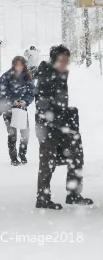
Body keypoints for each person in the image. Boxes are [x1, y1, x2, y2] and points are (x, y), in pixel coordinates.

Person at [34, 45, 93, 210]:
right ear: (54, 60)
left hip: (62, 125)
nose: (65, 63)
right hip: (48, 126)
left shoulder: (60, 74)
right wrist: (58, 120)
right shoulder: (45, 76)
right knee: (48, 162)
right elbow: (43, 105)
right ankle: (42, 198)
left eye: (67, 60)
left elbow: (58, 103)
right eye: (62, 60)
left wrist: (67, 116)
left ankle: (73, 194)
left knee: (76, 157)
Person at [0, 56, 34, 166]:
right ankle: (13, 158)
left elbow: (31, 92)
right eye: (17, 65)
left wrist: (25, 101)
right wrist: (13, 101)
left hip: (21, 110)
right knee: (12, 135)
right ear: (13, 65)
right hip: (8, 109)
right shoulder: (6, 77)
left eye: (21, 65)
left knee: (25, 133)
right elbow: (1, 93)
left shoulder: (27, 76)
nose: (19, 67)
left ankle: (22, 154)